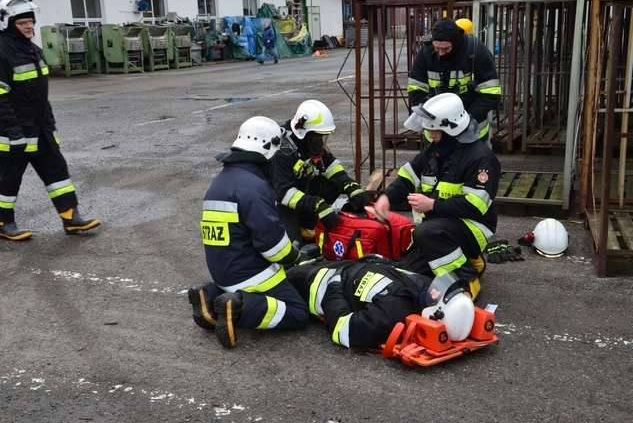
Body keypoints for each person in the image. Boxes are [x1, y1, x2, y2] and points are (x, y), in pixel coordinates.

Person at [0, 0, 100, 241]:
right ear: (8, 23)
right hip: (14, 133)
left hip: (41, 129)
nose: (28, 26)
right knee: (9, 179)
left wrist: (50, 124)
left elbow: (40, 95)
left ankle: (71, 218)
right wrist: (13, 131)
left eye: (30, 21)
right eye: (22, 22)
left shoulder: (33, 50)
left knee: (58, 172)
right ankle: (4, 223)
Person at [188, 116, 310, 349]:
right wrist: (296, 257)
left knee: (244, 283)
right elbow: (273, 247)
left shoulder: (219, 182)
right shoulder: (254, 187)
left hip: (222, 272)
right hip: (249, 275)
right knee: (297, 312)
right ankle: (238, 307)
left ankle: (210, 293)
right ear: (266, 148)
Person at [373, 93, 501, 300]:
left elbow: (474, 206)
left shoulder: (481, 159)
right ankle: (469, 259)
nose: (429, 135)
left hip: (474, 225)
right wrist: (386, 197)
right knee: (410, 270)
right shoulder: (436, 151)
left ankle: (467, 278)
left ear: (451, 130)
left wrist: (432, 204)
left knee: (426, 233)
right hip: (441, 223)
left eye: (434, 131)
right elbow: (407, 176)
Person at [287, 256, 475, 349]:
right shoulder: (426, 288)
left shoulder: (391, 314)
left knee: (282, 273)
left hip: (316, 284)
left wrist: (334, 286)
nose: (435, 290)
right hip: (346, 266)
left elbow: (344, 329)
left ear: (436, 316)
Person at [272, 100, 368, 243]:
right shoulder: (283, 150)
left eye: (321, 136)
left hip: (300, 193)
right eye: (317, 136)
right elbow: (283, 193)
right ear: (303, 131)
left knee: (333, 184)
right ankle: (293, 230)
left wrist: (350, 186)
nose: (320, 140)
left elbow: (331, 166)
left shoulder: (308, 142)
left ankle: (307, 224)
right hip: (279, 204)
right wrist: (317, 205)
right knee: (293, 245)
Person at [407, 18, 501, 142]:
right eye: (437, 48)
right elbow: (415, 90)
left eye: (446, 49)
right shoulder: (426, 53)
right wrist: (432, 117)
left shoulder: (476, 51)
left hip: (472, 133)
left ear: (456, 43)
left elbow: (491, 93)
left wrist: (465, 119)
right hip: (437, 135)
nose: (440, 53)